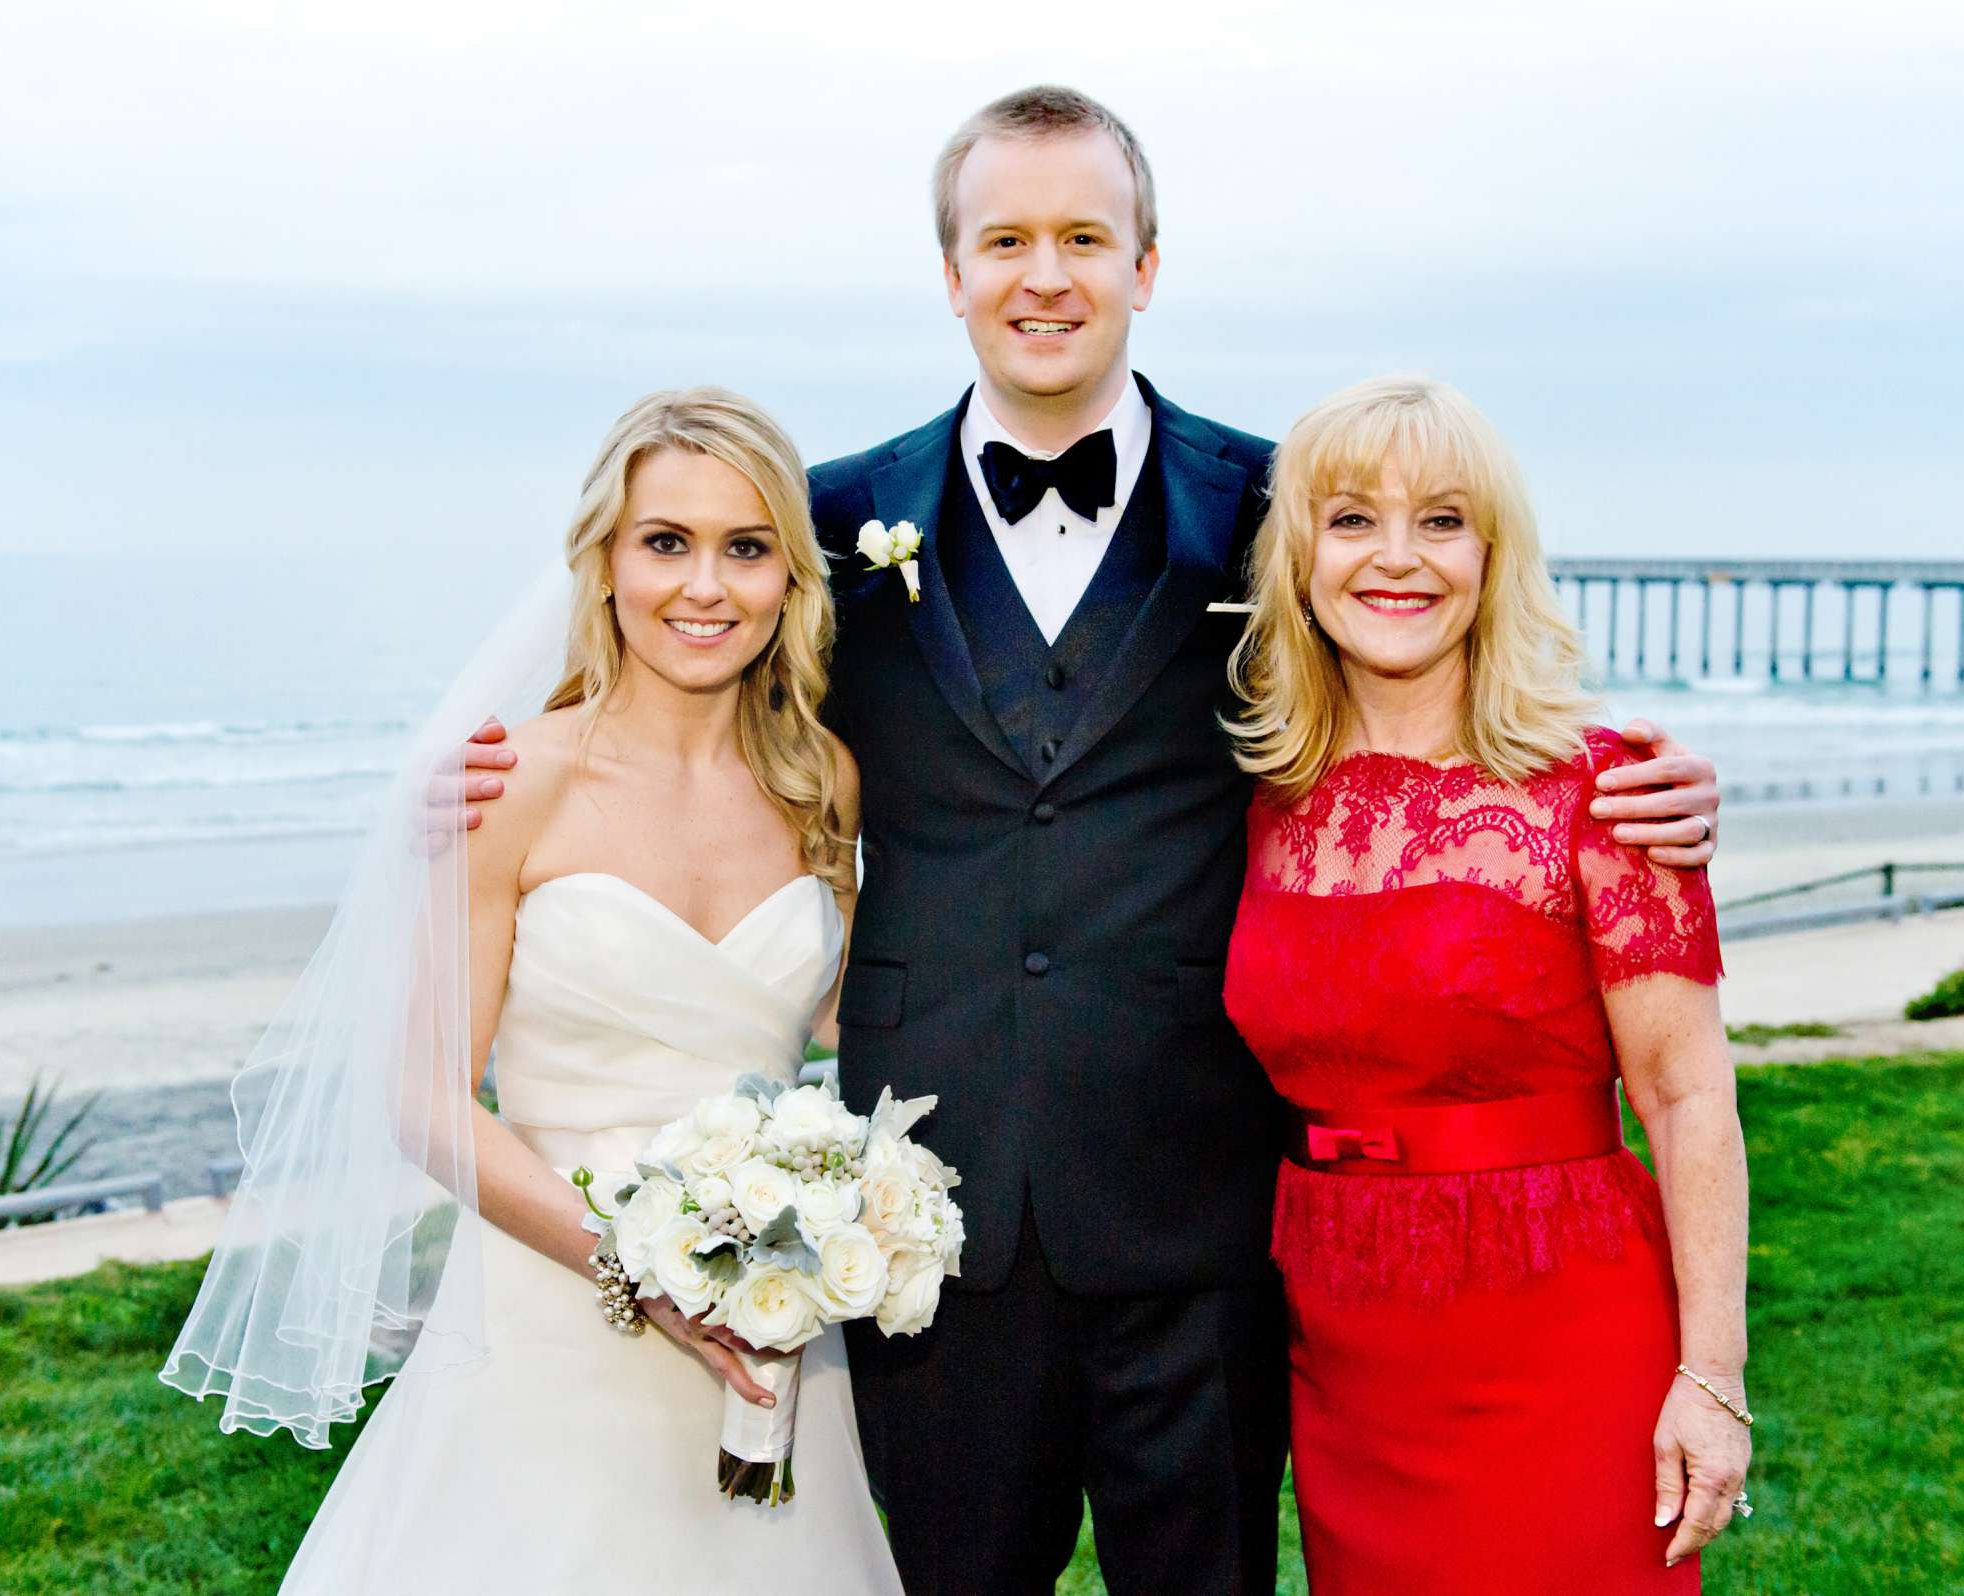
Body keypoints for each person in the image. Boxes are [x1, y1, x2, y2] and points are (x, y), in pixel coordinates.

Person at [460, 87, 1724, 1596]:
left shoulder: (1277, 508)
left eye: (1083, 237)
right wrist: (496, 775)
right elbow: (705, 719)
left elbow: (1426, 691)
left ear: (1148, 263)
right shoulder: (834, 521)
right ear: (951, 273)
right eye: (1005, 239)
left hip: (1204, 1217)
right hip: (924, 1225)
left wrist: (1654, 782)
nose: (1043, 275)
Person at [163, 389, 901, 1592]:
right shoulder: (509, 783)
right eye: (666, 542)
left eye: (746, 547)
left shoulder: (825, 782)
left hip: (773, 1326)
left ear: (790, 578)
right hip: (551, 1322)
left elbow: (835, 1014)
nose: (704, 587)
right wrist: (638, 1264)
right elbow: (423, 1098)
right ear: (604, 561)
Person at [1222, 376, 1752, 1593]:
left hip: (1562, 1336)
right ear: (1300, 554)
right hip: (1345, 1349)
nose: (1397, 558)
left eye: (1443, 520)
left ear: (1493, 554)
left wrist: (1712, 1377)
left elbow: (1686, 1099)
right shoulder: (1261, 797)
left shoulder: (1607, 791)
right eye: (1352, 519)